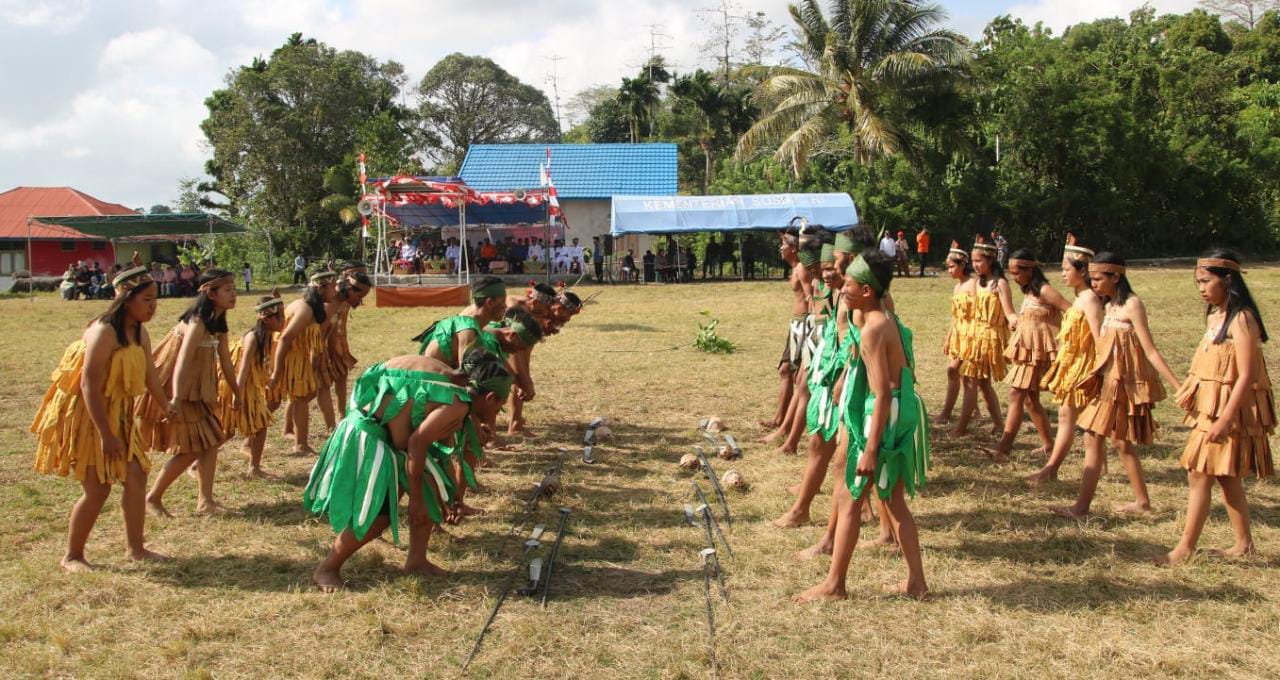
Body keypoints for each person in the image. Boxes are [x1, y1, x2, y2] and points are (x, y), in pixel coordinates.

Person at [304, 350, 513, 590]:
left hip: (371, 423)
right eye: (500, 407)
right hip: (369, 435)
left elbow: (431, 443)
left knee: (427, 485)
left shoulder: (445, 374)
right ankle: (328, 568)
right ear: (489, 398)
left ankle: (416, 560)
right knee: (379, 516)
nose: (497, 414)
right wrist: (415, 500)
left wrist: (444, 494)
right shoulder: (457, 404)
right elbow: (416, 443)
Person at [794, 249, 930, 602]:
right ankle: (917, 583)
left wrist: (870, 449)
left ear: (867, 290)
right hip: (898, 410)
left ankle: (835, 584)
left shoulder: (873, 328)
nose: (843, 287)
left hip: (881, 415)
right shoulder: (875, 318)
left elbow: (882, 392)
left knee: (851, 496)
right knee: (893, 499)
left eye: (850, 283)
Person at [31, 266, 172, 571]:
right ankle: (73, 555)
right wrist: (106, 435)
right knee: (98, 489)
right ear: (125, 298)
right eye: (147, 300)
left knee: (136, 478)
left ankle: (136, 549)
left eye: (155, 300)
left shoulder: (139, 331)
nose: (153, 307)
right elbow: (88, 385)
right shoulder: (103, 332)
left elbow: (149, 373)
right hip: (89, 418)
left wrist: (166, 405)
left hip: (120, 416)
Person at [1160, 250, 1274, 564]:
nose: (1201, 288)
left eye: (1206, 281)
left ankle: (1184, 548)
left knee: (1199, 473)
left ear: (1228, 279)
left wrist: (1225, 418)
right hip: (1210, 412)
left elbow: (1248, 374)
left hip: (1231, 412)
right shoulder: (1214, 315)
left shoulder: (1242, 318)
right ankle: (1244, 545)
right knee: (1224, 476)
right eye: (1198, 281)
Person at [1053, 252, 1181, 519]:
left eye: (1099, 278)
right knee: (1113, 441)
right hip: (1105, 384)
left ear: (1116, 276)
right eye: (1092, 277)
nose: (1094, 283)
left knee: (1105, 439)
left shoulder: (1132, 305)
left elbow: (1151, 350)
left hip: (1123, 386)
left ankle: (1083, 507)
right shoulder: (1108, 305)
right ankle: (1140, 502)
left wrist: (1180, 387)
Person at [138, 269, 239, 517]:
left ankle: (205, 501)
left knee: (211, 442)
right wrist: (176, 399)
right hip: (178, 389)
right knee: (192, 447)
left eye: (234, 289)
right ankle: (152, 497)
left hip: (198, 392)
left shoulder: (218, 321)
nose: (234, 294)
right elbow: (182, 361)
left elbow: (226, 362)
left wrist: (238, 392)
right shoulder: (197, 321)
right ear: (210, 293)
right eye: (228, 290)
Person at [1028, 235, 1103, 485]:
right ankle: (1061, 468)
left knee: (1075, 418)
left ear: (1082, 271)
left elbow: (1099, 337)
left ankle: (1051, 469)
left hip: (1086, 367)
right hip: (1073, 365)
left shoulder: (1090, 300)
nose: (1062, 274)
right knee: (1074, 418)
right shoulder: (1081, 298)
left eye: (1066, 269)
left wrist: (1098, 372)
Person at [987, 249, 1068, 462]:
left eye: (1017, 273)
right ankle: (1049, 444)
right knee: (1031, 400)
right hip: (1029, 353)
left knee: (1016, 394)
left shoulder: (1045, 290)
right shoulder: (1029, 292)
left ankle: (1004, 447)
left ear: (1030, 270)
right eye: (1011, 273)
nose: (1014, 278)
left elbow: (1072, 311)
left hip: (1040, 353)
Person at [270, 270, 339, 456]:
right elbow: (285, 338)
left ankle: (300, 442)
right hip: (289, 357)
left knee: (302, 397)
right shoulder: (305, 308)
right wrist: (276, 371)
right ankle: (299, 444)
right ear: (321, 288)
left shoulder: (311, 307)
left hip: (297, 358)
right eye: (333, 287)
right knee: (277, 402)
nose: (335, 290)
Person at [219, 294, 285, 477]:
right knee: (229, 430)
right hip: (238, 386)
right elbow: (243, 368)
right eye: (280, 316)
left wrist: (270, 379)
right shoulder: (253, 338)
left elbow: (259, 365)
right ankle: (197, 462)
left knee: (259, 425)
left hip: (249, 387)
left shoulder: (266, 336)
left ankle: (254, 468)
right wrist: (237, 395)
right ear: (267, 318)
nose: (284, 320)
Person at [952, 235, 1011, 438]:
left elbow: (1009, 313)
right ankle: (999, 423)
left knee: (969, 381)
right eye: (973, 261)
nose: (975, 265)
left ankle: (960, 428)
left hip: (990, 338)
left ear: (991, 260)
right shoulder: (978, 283)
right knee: (984, 384)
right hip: (976, 337)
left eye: (979, 261)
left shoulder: (1000, 284)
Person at [759, 230, 806, 435]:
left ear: (794, 248)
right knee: (786, 370)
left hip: (804, 325)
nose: (780, 247)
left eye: (783, 244)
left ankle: (784, 423)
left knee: (792, 373)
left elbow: (814, 299)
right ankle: (780, 420)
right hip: (797, 324)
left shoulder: (803, 269)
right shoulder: (797, 268)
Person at [321, 264, 374, 422]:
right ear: (348, 274)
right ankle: (289, 427)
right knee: (312, 388)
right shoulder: (335, 292)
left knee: (342, 375)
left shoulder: (350, 293)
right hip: (324, 339)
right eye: (359, 273)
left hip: (339, 339)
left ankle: (342, 414)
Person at [934, 241, 974, 426]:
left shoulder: (972, 285)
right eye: (947, 267)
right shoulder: (957, 287)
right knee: (959, 374)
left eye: (951, 266)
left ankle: (946, 413)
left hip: (971, 335)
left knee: (956, 372)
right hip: (959, 335)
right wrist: (949, 337)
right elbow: (955, 316)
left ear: (962, 265)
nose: (949, 270)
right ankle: (974, 411)